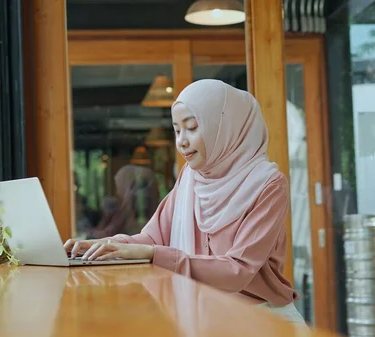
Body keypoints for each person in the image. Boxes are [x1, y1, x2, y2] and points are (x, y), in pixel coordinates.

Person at [64, 79, 305, 325]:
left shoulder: (268, 184)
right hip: (209, 316)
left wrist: (154, 254)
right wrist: (102, 246)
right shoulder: (190, 179)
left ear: (224, 127)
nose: (181, 142)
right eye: (177, 130)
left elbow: (238, 271)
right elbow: (152, 238)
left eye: (192, 127)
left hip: (263, 320)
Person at [87, 165, 159, 239]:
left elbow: (111, 232)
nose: (117, 191)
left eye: (119, 185)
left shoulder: (133, 205)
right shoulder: (122, 206)